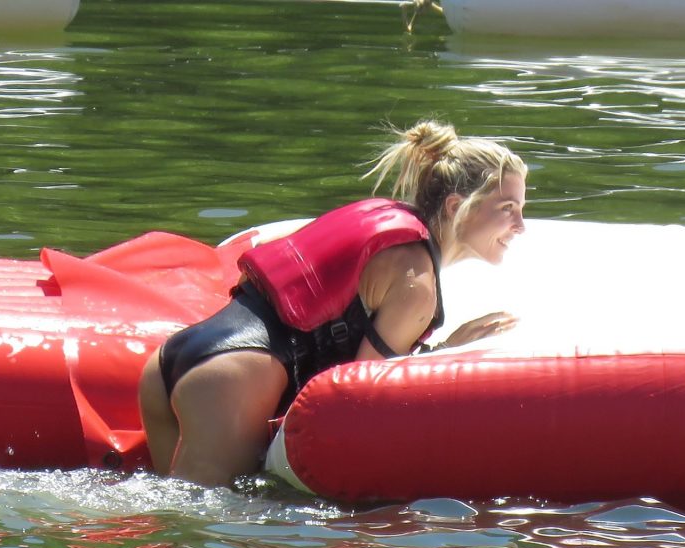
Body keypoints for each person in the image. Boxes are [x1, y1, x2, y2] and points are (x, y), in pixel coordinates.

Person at [138, 120, 528, 486]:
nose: (521, 226)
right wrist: (444, 354)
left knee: (168, 514)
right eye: (507, 209)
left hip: (171, 363)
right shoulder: (417, 283)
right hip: (231, 383)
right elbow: (359, 395)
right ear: (456, 207)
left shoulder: (380, 216)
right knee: (195, 522)